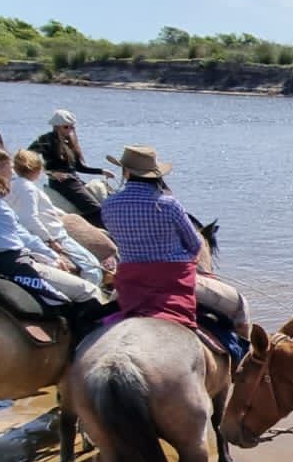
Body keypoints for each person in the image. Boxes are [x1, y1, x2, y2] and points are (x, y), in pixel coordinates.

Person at [98, 145, 249, 357]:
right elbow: (195, 245)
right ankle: (244, 368)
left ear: (126, 172)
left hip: (130, 283)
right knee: (240, 305)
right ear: (154, 174)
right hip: (174, 283)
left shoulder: (109, 205)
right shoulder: (169, 205)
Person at [0, 144, 105, 309]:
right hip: (4, 263)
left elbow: (19, 233)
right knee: (87, 290)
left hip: (8, 258)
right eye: (8, 167)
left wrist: (51, 255)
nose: (12, 172)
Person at [8, 149, 105, 286]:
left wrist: (61, 215)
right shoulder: (28, 188)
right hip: (54, 236)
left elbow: (38, 210)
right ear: (36, 168)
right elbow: (29, 218)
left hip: (36, 236)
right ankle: (91, 297)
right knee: (92, 267)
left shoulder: (11, 186)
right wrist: (50, 240)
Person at [28, 109, 113, 226]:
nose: (70, 130)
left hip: (74, 180)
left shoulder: (69, 141)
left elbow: (79, 167)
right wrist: (50, 173)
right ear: (56, 126)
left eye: (72, 127)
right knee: (95, 209)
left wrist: (102, 171)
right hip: (62, 182)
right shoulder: (46, 140)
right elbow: (27, 157)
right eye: (66, 127)